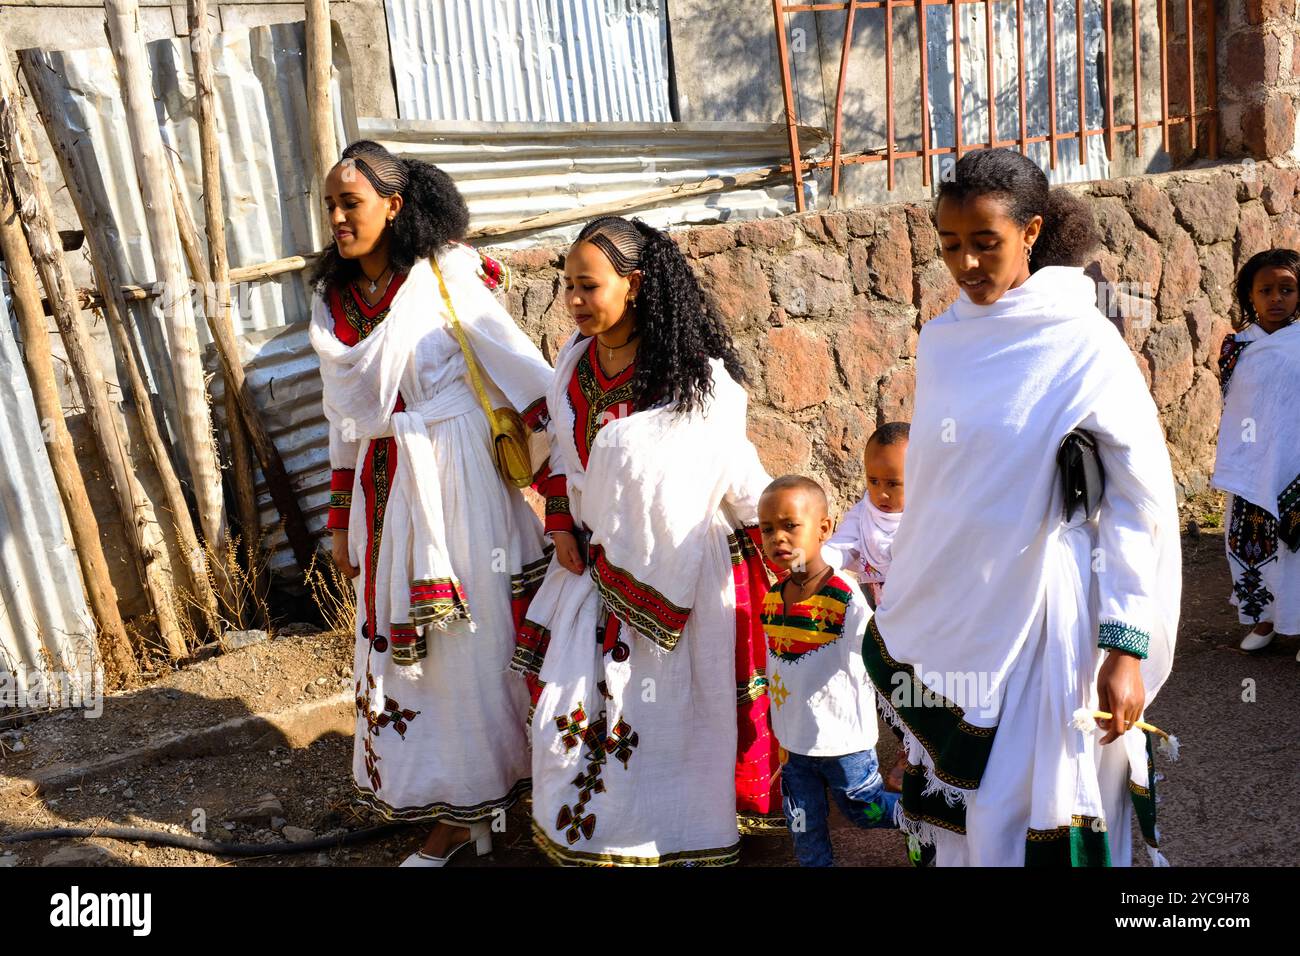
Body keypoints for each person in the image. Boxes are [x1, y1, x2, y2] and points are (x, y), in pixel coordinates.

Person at [864, 148, 1181, 866]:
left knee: (1031, 804)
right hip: (962, 612)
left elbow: (1135, 501)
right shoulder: (944, 340)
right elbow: (945, 492)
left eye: (986, 243)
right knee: (973, 819)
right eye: (950, 246)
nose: (966, 264)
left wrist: (1124, 648)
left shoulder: (1083, 344)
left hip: (1050, 622)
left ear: (1032, 232)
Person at [308, 140, 553, 866]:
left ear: (395, 205)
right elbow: (346, 421)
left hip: (461, 481)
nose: (338, 218)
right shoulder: (335, 303)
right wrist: (339, 520)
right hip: (387, 488)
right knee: (410, 655)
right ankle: (452, 802)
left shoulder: (446, 277)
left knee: (473, 647)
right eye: (330, 205)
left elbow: (529, 376)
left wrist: (569, 490)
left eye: (350, 203)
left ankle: (485, 805)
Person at [512, 215, 781, 865]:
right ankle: (601, 836)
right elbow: (564, 464)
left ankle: (678, 838)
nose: (574, 301)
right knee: (570, 720)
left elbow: (730, 465)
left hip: (680, 568)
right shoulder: (573, 364)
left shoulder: (691, 374)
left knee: (668, 722)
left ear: (633, 285)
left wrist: (780, 544)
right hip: (595, 568)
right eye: (567, 286)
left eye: (589, 286)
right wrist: (559, 523)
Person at [757, 476, 900, 867]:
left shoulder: (844, 595)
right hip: (793, 745)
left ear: (823, 528)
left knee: (864, 810)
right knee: (803, 825)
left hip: (844, 743)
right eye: (767, 529)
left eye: (790, 525)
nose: (777, 538)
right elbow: (775, 667)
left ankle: (924, 822)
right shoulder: (773, 597)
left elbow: (878, 656)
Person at [1214, 249, 1300, 653]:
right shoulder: (1237, 349)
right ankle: (1264, 620)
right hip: (1252, 466)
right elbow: (1238, 408)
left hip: (1295, 464)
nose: (1276, 298)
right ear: (1251, 296)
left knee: (1295, 544)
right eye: (1266, 290)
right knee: (1251, 543)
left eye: (1287, 289)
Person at [824, 422, 910, 794]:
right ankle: (908, 746)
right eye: (873, 481)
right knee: (887, 683)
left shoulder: (931, 515)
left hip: (928, 620)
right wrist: (815, 558)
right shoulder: (864, 515)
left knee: (930, 687)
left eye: (894, 483)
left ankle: (925, 752)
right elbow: (843, 546)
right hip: (886, 618)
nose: (881, 493)